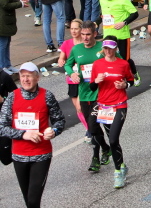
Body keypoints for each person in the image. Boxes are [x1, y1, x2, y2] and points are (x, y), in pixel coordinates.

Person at [0, 62, 65, 208]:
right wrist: (24, 134)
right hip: (19, 155)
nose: (25, 79)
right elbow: (2, 127)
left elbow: (59, 120)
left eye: (29, 76)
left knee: (33, 200)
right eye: (23, 76)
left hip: (41, 155)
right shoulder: (12, 97)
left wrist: (54, 131)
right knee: (28, 200)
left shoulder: (47, 96)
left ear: (37, 78)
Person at [64, 21, 111, 172]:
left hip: (102, 93)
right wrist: (72, 73)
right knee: (92, 127)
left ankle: (96, 158)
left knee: (94, 125)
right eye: (83, 34)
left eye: (88, 34)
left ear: (95, 34)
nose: (85, 37)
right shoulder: (76, 49)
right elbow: (67, 64)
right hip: (84, 94)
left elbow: (118, 59)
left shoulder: (102, 47)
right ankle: (105, 148)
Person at [90, 37, 134, 188]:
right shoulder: (97, 64)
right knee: (111, 139)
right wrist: (96, 81)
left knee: (114, 139)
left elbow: (131, 81)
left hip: (120, 105)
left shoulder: (123, 64)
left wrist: (124, 85)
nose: (108, 51)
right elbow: (92, 87)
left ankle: (117, 173)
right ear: (103, 49)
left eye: (111, 48)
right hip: (104, 107)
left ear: (116, 48)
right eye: (106, 48)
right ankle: (121, 165)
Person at [99, 0, 140, 85]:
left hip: (122, 35)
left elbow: (135, 13)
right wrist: (96, 22)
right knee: (109, 58)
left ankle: (134, 73)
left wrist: (124, 23)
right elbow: (103, 14)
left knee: (124, 59)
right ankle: (116, 79)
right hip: (108, 35)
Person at [0, 0, 28, 73]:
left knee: (6, 43)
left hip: (5, 20)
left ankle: (7, 65)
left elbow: (8, 0)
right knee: (3, 45)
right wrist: (20, 4)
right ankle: (2, 67)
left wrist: (20, 2)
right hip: (3, 20)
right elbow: (5, 4)